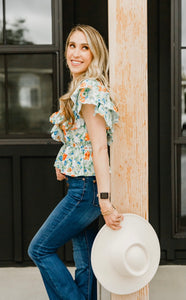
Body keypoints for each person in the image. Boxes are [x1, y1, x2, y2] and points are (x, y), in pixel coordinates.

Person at [28, 24, 123, 300]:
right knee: (86, 265)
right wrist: (64, 162)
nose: (76, 53)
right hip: (82, 186)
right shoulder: (81, 88)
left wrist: (105, 201)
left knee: (40, 249)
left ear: (96, 54)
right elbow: (80, 141)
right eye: (72, 45)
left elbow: (99, 146)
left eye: (85, 47)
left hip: (86, 191)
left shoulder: (90, 90)